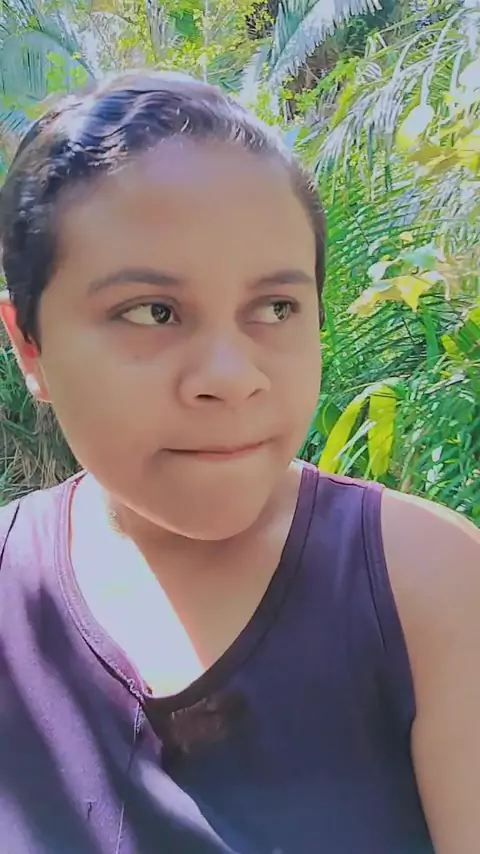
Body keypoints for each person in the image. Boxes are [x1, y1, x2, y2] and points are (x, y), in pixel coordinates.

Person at [0, 69, 478, 854]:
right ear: (30, 345)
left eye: (276, 307)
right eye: (152, 312)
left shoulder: (427, 587)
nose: (232, 377)